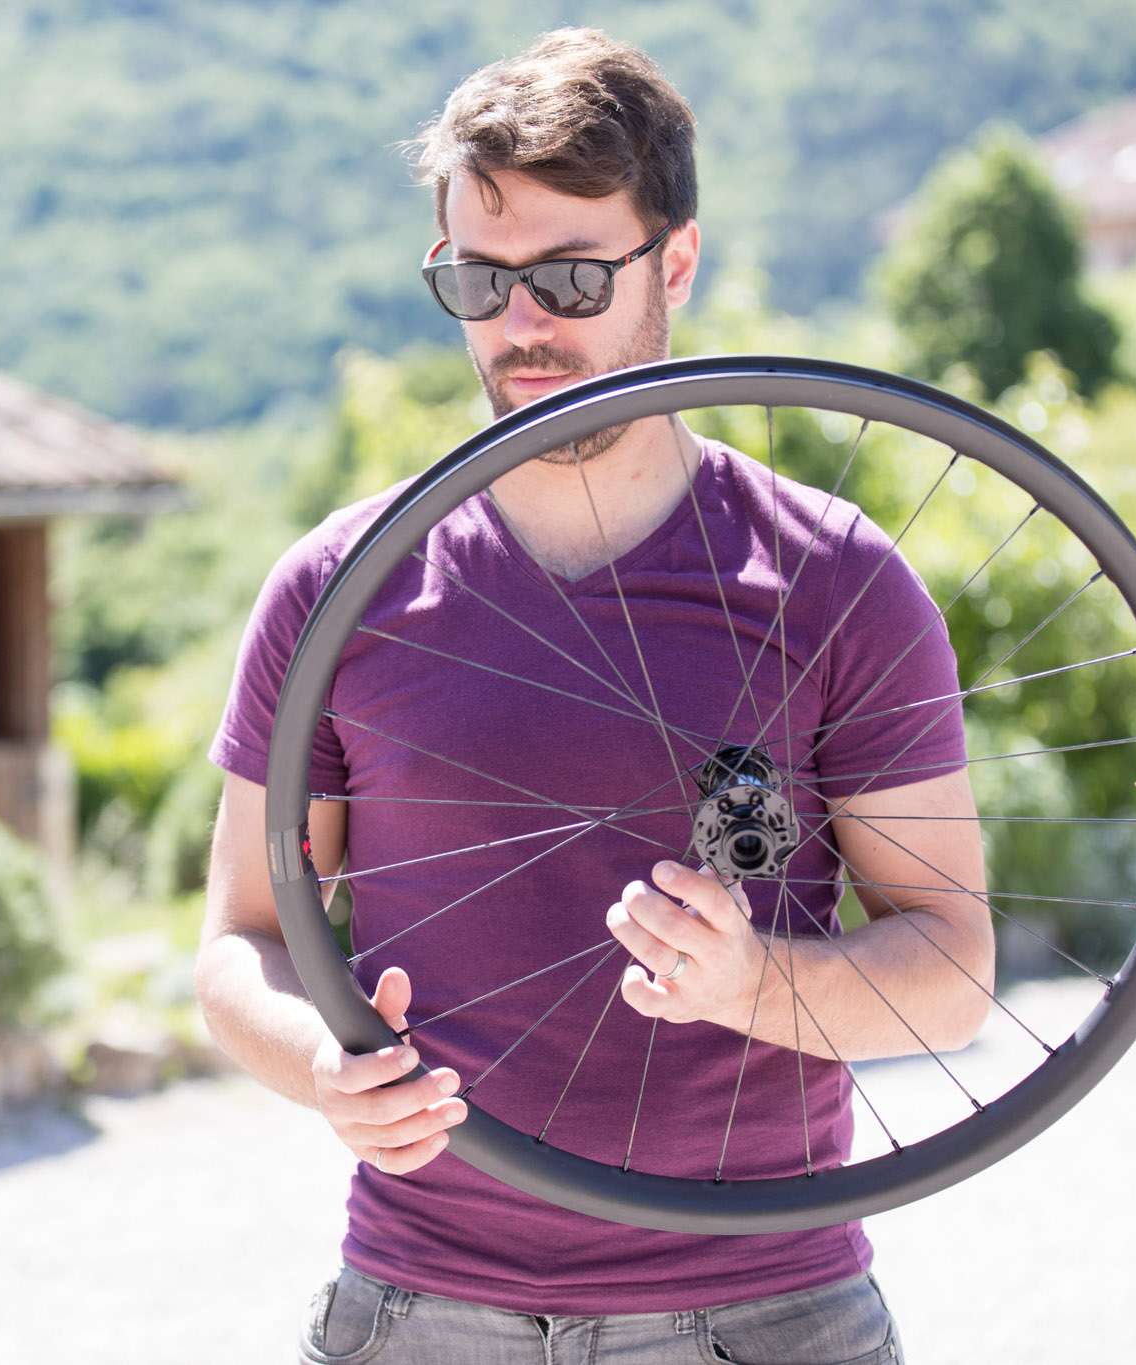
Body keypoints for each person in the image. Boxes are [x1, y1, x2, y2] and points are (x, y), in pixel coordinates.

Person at [196, 28, 993, 1365]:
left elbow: (956, 971)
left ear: (673, 261)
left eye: (569, 276)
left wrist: (757, 983)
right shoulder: (337, 585)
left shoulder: (836, 581)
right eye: (479, 280)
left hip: (766, 1310)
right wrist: (320, 1066)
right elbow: (239, 942)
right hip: (416, 1306)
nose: (521, 325)